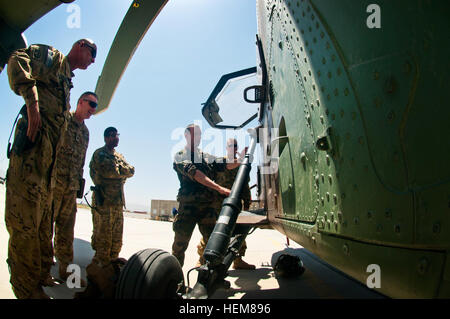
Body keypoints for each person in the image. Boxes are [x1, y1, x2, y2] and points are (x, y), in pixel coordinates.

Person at [5, 38, 96, 299]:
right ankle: (26, 290)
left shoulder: (67, 81)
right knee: (24, 227)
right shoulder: (53, 59)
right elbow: (16, 59)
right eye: (92, 55)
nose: (92, 62)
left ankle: (41, 276)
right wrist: (32, 103)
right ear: (80, 46)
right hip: (31, 161)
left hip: (48, 172)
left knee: (41, 229)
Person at [40, 92, 98, 287]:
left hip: (71, 188)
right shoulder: (63, 119)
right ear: (80, 102)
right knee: (46, 230)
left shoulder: (86, 132)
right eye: (91, 104)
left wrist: (78, 188)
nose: (93, 109)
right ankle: (43, 272)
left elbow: (81, 162)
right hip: (54, 185)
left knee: (66, 233)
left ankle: (66, 272)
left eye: (95, 106)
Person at [172, 124, 239, 267]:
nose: (198, 137)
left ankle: (209, 278)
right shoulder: (180, 156)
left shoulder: (205, 156)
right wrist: (219, 188)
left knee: (212, 245)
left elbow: (224, 164)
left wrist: (240, 160)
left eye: (199, 135)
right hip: (188, 208)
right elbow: (196, 174)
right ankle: (175, 280)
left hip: (207, 208)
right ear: (186, 136)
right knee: (179, 246)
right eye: (195, 134)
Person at [196, 138, 256, 270]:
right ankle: (202, 259)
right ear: (226, 147)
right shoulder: (220, 162)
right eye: (230, 145)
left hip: (235, 203)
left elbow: (244, 184)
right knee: (213, 231)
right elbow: (219, 172)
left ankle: (238, 259)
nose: (233, 148)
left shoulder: (241, 165)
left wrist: (247, 202)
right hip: (218, 203)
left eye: (235, 146)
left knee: (239, 231)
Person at [88, 127, 134, 268]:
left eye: (117, 135)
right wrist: (122, 172)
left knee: (116, 241)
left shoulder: (119, 156)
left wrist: (121, 171)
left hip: (117, 203)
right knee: (103, 240)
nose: (116, 138)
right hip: (104, 203)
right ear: (106, 138)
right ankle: (97, 271)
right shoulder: (100, 154)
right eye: (112, 135)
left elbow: (131, 170)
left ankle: (111, 269)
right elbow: (110, 171)